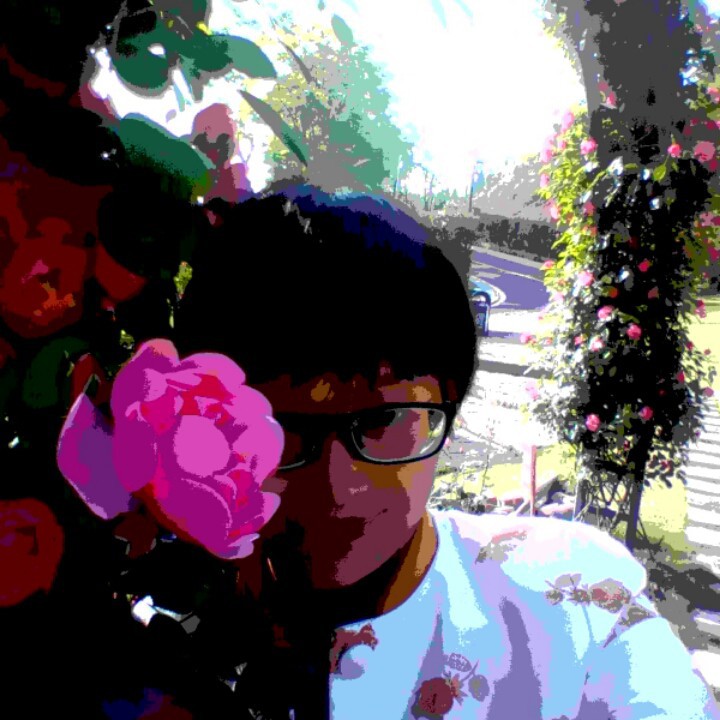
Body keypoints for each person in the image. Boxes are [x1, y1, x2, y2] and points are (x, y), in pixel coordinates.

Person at [174, 186, 720, 719]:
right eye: (283, 427)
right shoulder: (161, 627)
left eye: (385, 420)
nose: (339, 486)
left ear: (449, 408)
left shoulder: (575, 607)